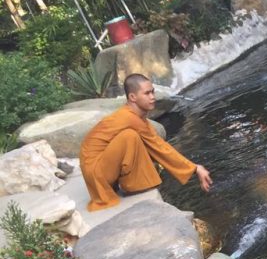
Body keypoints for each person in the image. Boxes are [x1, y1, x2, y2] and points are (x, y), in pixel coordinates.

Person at [79, 73, 212, 211]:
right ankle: (133, 184)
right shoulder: (130, 118)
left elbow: (156, 144)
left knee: (135, 138)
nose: (152, 97)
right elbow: (160, 147)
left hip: (98, 167)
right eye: (147, 93)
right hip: (95, 173)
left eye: (153, 92)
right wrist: (195, 168)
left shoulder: (136, 117)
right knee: (129, 136)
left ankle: (134, 182)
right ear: (132, 97)